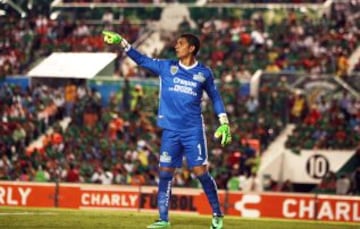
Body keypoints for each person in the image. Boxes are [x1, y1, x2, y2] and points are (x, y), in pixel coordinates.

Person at [102, 30, 232, 229]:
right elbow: (142, 60)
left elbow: (215, 97)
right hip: (170, 131)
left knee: (201, 172)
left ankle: (217, 213)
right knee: (164, 174)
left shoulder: (204, 73)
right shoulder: (166, 67)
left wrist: (224, 122)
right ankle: (163, 219)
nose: (176, 46)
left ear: (192, 48)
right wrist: (123, 43)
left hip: (192, 130)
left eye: (180, 43)